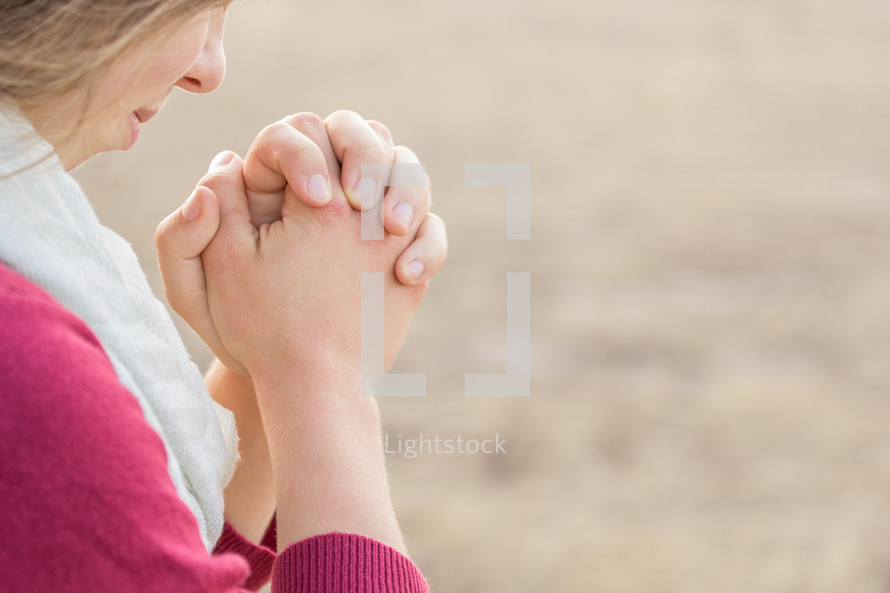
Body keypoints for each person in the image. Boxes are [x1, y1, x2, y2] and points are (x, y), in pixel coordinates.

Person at [0, 1, 447, 591]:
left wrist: (260, 368)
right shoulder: (23, 364)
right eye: (198, 6)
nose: (209, 70)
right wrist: (320, 375)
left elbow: (114, 558)